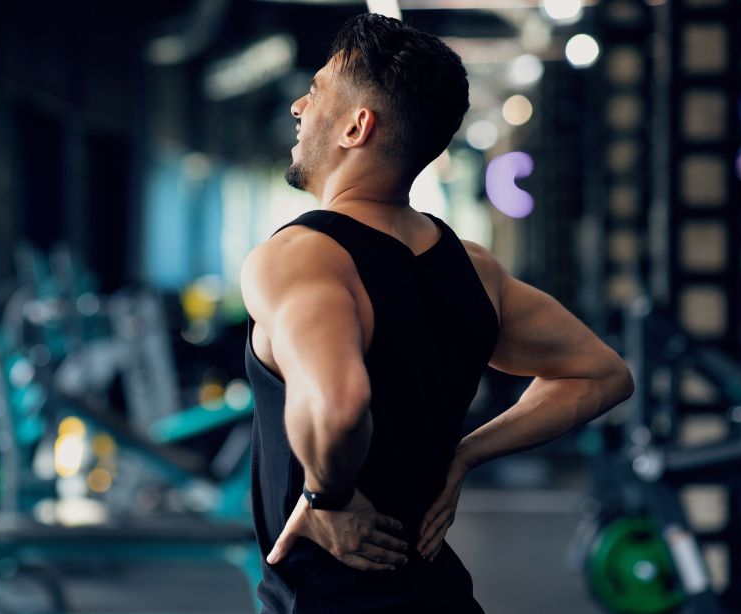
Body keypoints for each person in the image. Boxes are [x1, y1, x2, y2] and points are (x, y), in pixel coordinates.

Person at [240, 13, 634, 613]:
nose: (299, 105)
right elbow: (602, 374)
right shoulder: (474, 269)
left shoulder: (299, 258)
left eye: (315, 91)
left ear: (356, 127)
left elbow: (338, 405)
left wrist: (329, 496)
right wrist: (466, 452)